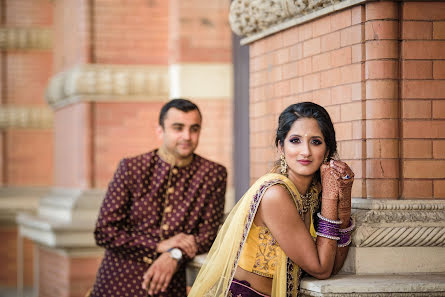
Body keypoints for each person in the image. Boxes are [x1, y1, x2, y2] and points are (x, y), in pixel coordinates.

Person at [188, 101, 354, 297]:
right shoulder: (276, 194)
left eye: (316, 142)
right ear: (281, 147)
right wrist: (330, 197)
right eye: (295, 140)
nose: (306, 151)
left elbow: (332, 265)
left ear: (326, 151)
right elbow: (321, 269)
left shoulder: (312, 194)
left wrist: (344, 200)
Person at [90, 98, 227, 297]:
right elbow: (104, 231)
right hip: (119, 281)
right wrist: (158, 246)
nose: (187, 136)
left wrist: (174, 254)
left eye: (194, 129)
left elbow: (207, 236)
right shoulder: (132, 168)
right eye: (178, 128)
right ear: (160, 131)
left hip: (169, 286)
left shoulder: (213, 174)